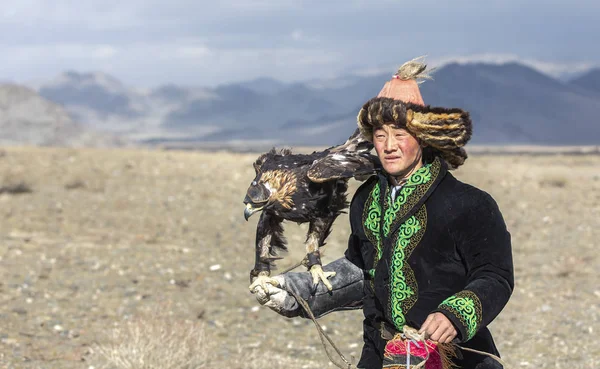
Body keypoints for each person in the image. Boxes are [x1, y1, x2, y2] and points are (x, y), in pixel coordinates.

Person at [250, 58, 514, 369]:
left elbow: (495, 276)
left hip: (457, 356)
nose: (389, 146)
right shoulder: (366, 200)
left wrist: (454, 315)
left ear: (422, 137)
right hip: (381, 353)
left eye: (400, 134)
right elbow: (361, 271)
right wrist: (300, 291)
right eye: (380, 135)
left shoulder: (470, 204)